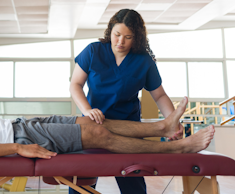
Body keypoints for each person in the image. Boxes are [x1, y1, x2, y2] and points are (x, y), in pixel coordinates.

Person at [0, 97, 215, 160]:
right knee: (98, 136)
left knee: (97, 122)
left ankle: (164, 125)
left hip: (19, 124)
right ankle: (177, 147)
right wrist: (17, 147)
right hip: (18, 137)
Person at [69, 9, 182, 194]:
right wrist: (87, 110)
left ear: (136, 38)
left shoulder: (143, 61)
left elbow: (159, 95)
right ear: (110, 31)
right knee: (81, 184)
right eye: (117, 34)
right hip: (94, 125)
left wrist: (173, 121)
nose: (120, 41)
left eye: (128, 37)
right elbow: (75, 84)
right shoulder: (93, 51)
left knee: (133, 186)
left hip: (128, 129)